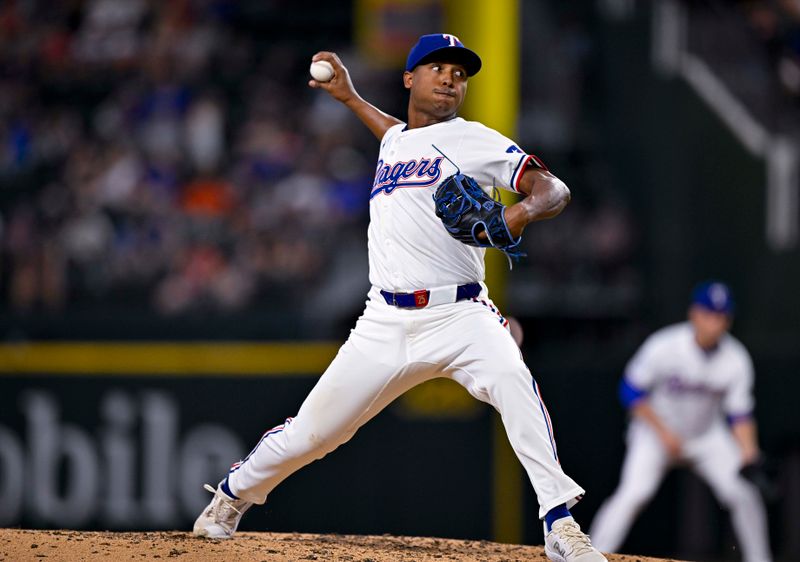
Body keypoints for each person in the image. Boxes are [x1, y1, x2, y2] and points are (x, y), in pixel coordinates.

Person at [193, 33, 606, 562]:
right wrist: (348, 98)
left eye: (460, 73)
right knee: (315, 434)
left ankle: (560, 523)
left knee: (513, 382)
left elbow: (554, 191)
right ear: (410, 78)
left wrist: (515, 214)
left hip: (460, 313)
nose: (451, 79)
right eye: (439, 68)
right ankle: (232, 495)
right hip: (383, 321)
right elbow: (395, 132)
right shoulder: (396, 141)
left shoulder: (476, 139)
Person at [589, 281, 772, 562]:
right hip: (654, 433)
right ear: (695, 314)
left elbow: (740, 414)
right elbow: (630, 390)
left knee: (743, 494)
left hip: (707, 436)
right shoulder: (665, 345)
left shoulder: (736, 358)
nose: (716, 322)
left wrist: (748, 451)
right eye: (710, 313)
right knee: (633, 494)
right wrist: (663, 433)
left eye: (722, 316)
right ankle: (589, 556)